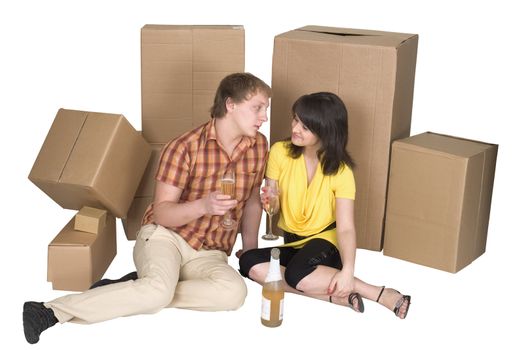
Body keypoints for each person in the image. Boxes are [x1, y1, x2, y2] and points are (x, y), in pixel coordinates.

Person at [23, 72, 271, 344]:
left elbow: (252, 201)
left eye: (265, 110)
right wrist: (203, 205)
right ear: (230, 105)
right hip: (167, 237)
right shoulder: (183, 147)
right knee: (157, 292)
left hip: (211, 252)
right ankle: (50, 311)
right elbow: (162, 212)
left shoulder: (258, 146)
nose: (264, 117)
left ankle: (137, 289)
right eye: (257, 108)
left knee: (233, 294)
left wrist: (250, 250)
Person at [239, 92, 411, 319]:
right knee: (248, 262)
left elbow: (346, 227)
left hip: (325, 242)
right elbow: (275, 202)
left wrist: (348, 270)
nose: (295, 128)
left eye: (305, 126)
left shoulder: (341, 171)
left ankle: (378, 292)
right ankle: (335, 297)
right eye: (295, 120)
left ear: (325, 131)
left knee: (295, 274)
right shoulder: (280, 152)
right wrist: (270, 201)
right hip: (293, 240)